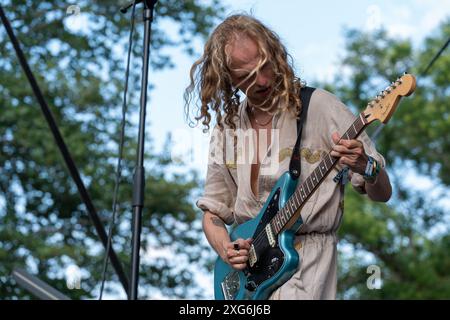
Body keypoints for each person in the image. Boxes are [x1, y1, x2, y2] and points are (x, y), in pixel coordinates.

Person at [184, 14, 392, 299]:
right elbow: (213, 213)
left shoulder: (319, 107)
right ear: (228, 79)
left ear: (275, 53)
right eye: (247, 75)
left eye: (265, 64)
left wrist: (365, 165)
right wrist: (227, 249)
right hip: (247, 280)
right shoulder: (227, 129)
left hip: (306, 265)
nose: (263, 80)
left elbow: (382, 192)